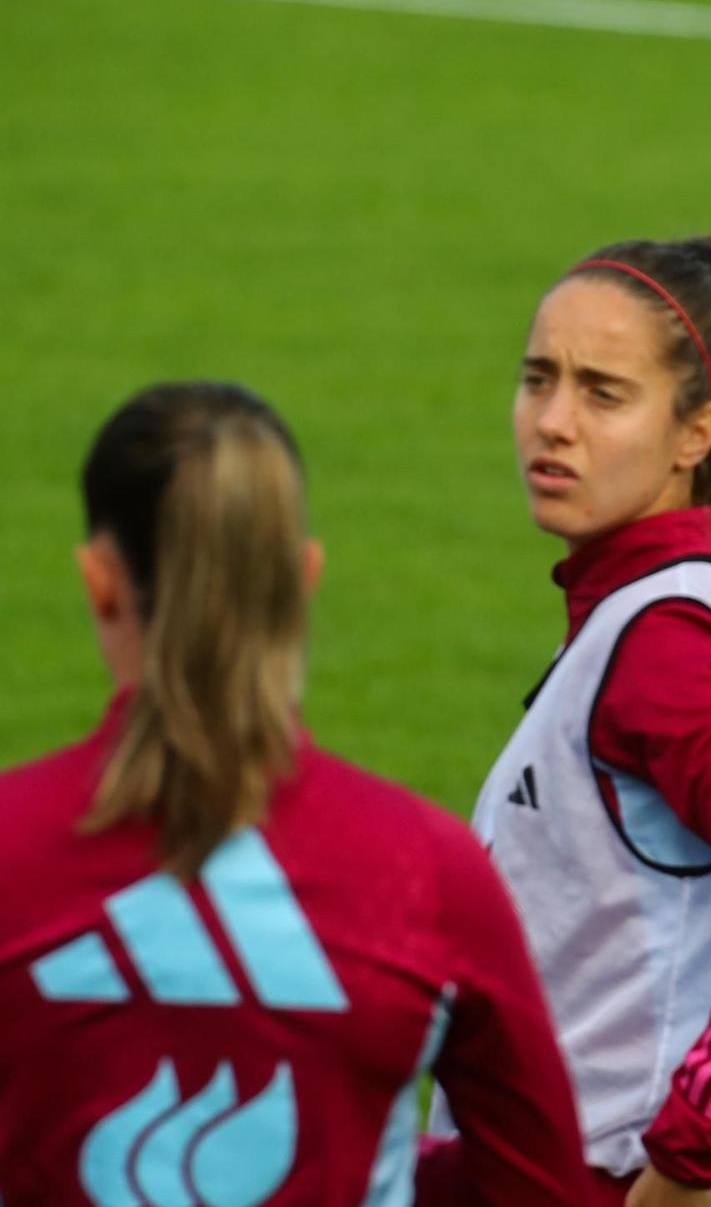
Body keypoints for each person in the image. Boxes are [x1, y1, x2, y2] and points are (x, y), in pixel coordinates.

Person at [0, 381, 590, 1204]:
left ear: (99, 580)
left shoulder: (12, 851)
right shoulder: (426, 874)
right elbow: (543, 1185)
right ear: (302, 579)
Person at [426, 235, 711, 1207]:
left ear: (694, 432)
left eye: (601, 393)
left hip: (612, 1177)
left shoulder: (667, 643)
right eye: (538, 379)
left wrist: (686, 1158)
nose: (552, 422)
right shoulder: (656, 612)